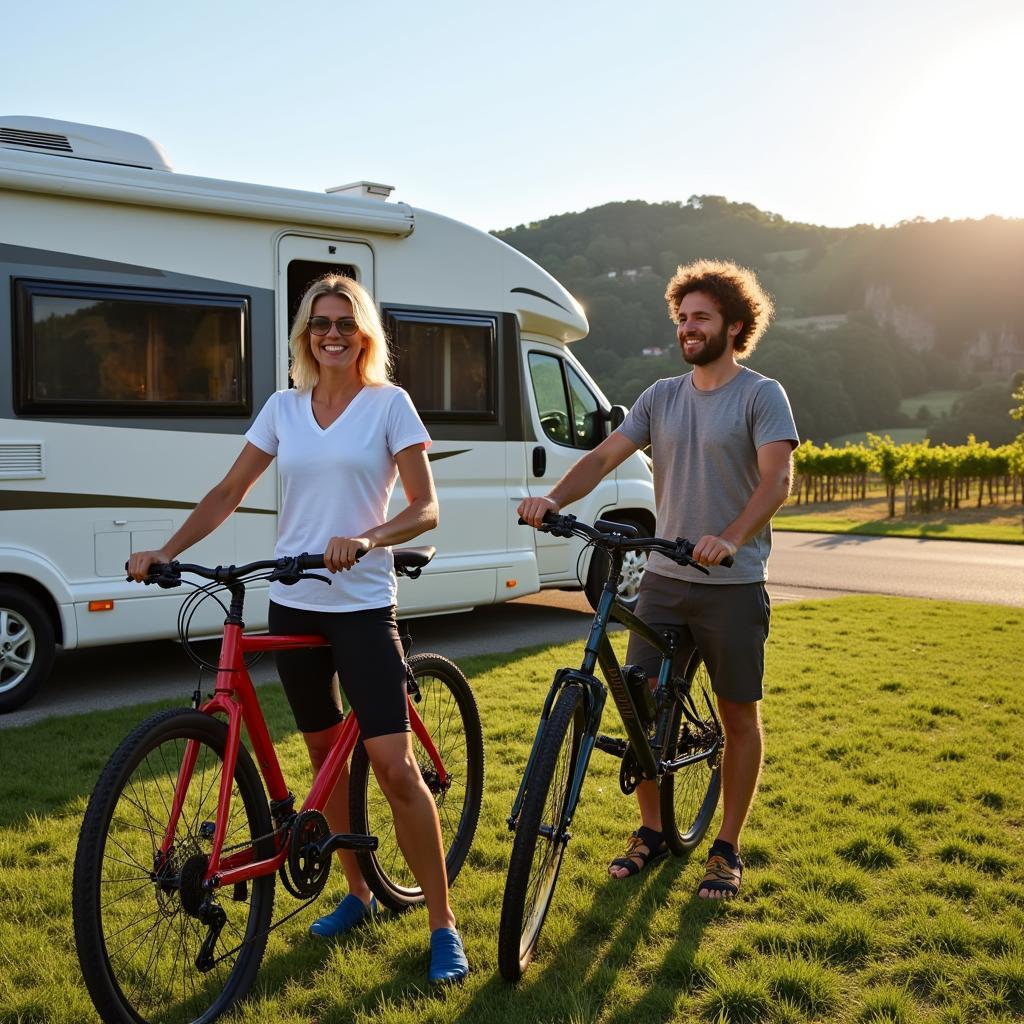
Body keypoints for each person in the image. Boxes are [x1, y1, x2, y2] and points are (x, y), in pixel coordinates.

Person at [128, 274, 469, 983]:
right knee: (325, 761)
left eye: (345, 322)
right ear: (305, 335)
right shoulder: (284, 408)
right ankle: (355, 892)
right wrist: (169, 550)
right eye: (320, 324)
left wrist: (368, 538)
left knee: (394, 767)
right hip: (295, 601)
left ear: (364, 332)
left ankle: (443, 925)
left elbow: (426, 507)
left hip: (363, 605)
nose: (332, 334)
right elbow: (229, 490)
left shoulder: (388, 406)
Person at [518, 258, 798, 900]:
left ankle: (725, 847)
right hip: (665, 580)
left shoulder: (761, 394)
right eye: (681, 318)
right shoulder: (661, 396)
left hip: (731, 583)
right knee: (640, 707)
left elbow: (777, 480)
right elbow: (604, 455)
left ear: (735, 323)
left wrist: (729, 538)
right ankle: (649, 831)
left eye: (700, 317)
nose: (687, 328)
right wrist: (555, 499)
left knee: (737, 714)